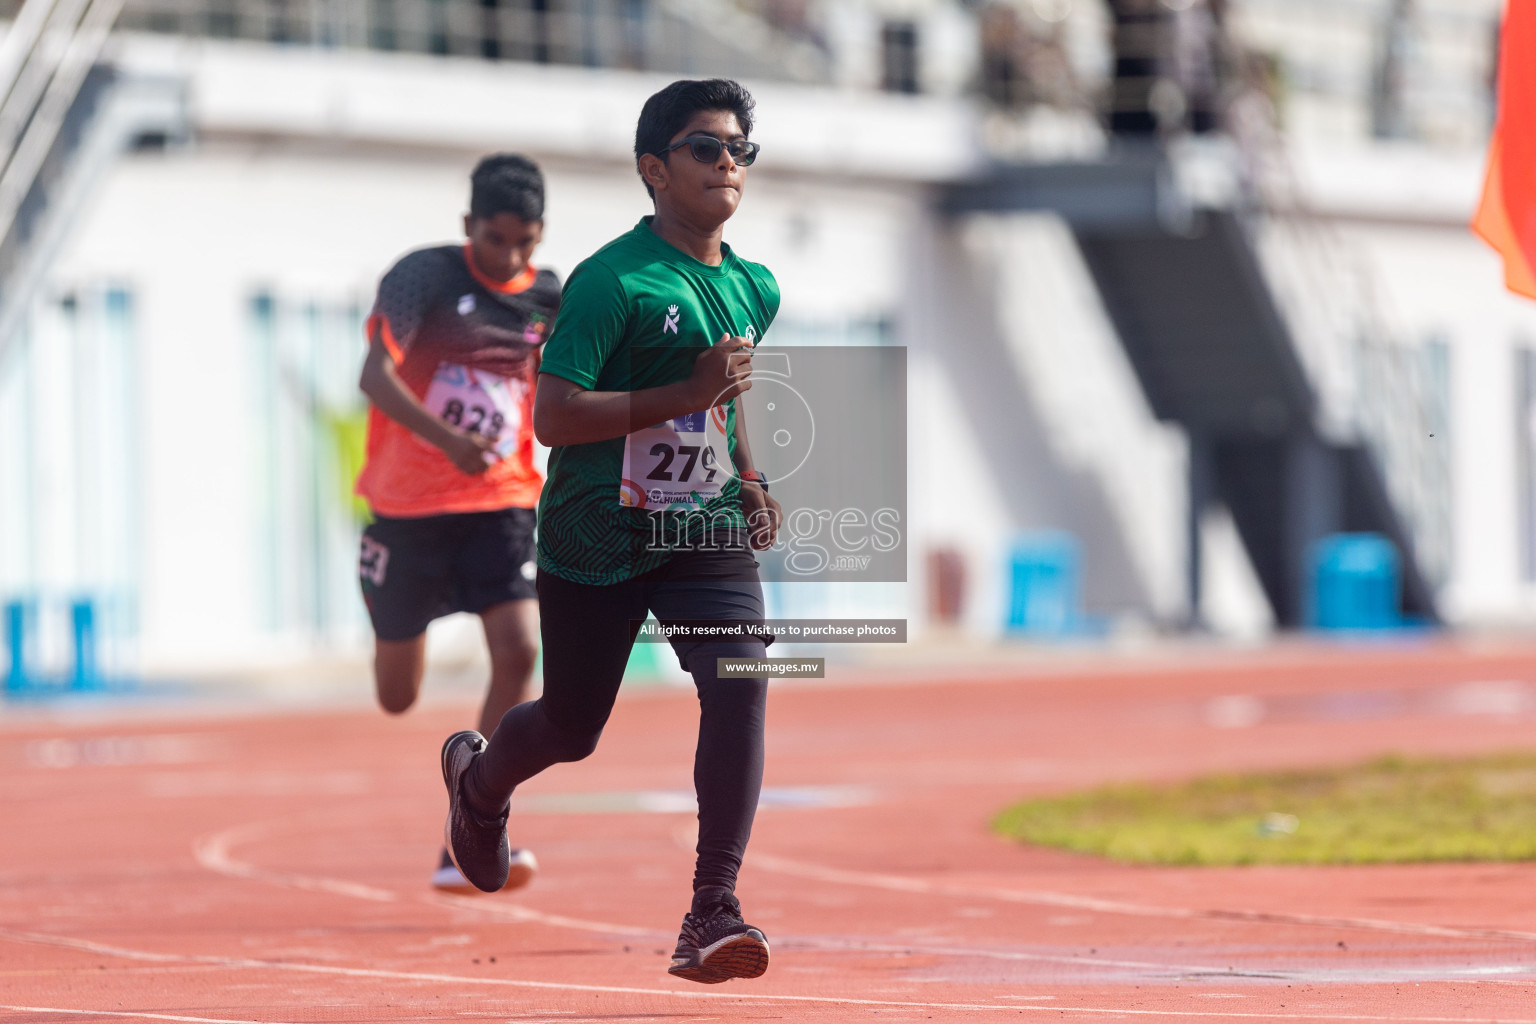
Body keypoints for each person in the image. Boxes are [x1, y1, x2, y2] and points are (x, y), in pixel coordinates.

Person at [437, 78, 784, 985]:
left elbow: (730, 397)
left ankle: (713, 909)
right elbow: (554, 418)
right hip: (598, 532)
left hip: (704, 529)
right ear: (654, 169)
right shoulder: (609, 281)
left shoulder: (755, 284)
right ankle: (479, 785)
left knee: (740, 679)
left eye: (740, 148)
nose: (727, 163)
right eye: (706, 147)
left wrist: (747, 476)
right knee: (573, 724)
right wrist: (681, 394)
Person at [356, 154, 560, 894]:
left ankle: (475, 819)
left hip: (500, 504)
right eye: (497, 239)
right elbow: (374, 375)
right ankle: (383, 600)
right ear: (469, 225)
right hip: (409, 511)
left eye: (527, 242)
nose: (512, 256)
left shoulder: (547, 297)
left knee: (520, 648)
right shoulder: (424, 279)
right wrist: (447, 441)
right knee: (396, 695)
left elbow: (551, 399)